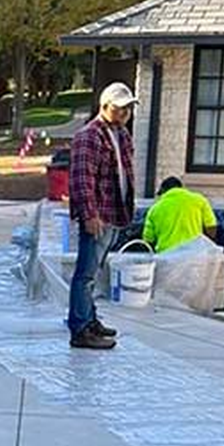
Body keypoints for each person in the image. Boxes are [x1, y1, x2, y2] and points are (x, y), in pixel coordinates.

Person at [66, 82, 138, 350]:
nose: (125, 114)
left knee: (93, 273)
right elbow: (82, 178)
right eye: (120, 109)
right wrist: (89, 214)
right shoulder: (89, 136)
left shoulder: (121, 134)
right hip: (99, 214)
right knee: (85, 274)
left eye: (128, 109)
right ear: (104, 106)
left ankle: (90, 319)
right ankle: (80, 329)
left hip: (115, 212)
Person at [142, 176, 218, 253]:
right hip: (194, 255)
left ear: (163, 190)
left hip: (166, 256)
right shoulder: (200, 201)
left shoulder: (154, 209)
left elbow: (148, 240)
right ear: (181, 188)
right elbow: (211, 228)